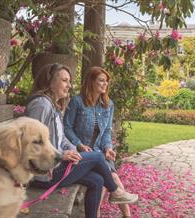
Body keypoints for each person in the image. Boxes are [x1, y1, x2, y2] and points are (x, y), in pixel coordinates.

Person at [25, 63, 138, 218]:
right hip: (43, 172)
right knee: (98, 158)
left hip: (55, 165)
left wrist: (71, 149)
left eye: (69, 81)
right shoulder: (41, 105)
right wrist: (62, 153)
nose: (69, 86)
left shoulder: (53, 106)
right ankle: (116, 191)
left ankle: (115, 195)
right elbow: (30, 143)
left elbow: (62, 137)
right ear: (50, 81)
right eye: (65, 80)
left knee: (97, 181)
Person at [63, 66, 132, 217]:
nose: (105, 84)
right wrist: (79, 144)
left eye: (106, 81)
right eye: (101, 80)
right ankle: (126, 213)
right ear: (91, 81)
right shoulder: (77, 102)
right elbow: (66, 127)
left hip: (100, 152)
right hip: (81, 153)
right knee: (110, 178)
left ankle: (124, 213)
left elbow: (106, 131)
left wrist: (108, 147)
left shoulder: (108, 105)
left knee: (105, 180)